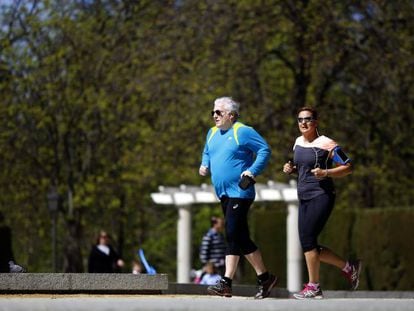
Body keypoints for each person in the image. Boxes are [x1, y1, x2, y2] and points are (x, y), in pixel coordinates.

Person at [199, 96, 278, 299]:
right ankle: (257, 279)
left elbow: (264, 150)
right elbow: (207, 151)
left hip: (240, 191)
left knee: (233, 231)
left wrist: (252, 171)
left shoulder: (241, 131)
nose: (214, 115)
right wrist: (204, 163)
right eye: (213, 112)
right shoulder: (212, 132)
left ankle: (238, 280)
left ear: (231, 115)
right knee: (236, 236)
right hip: (223, 194)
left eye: (219, 112)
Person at [282, 106, 361, 300]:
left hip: (322, 195)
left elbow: (348, 166)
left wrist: (326, 173)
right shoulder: (298, 142)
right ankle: (349, 267)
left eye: (308, 119)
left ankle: (314, 286)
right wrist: (290, 169)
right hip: (304, 196)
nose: (303, 123)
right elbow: (302, 168)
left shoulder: (326, 143)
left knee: (308, 239)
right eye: (300, 119)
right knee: (308, 244)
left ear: (316, 122)